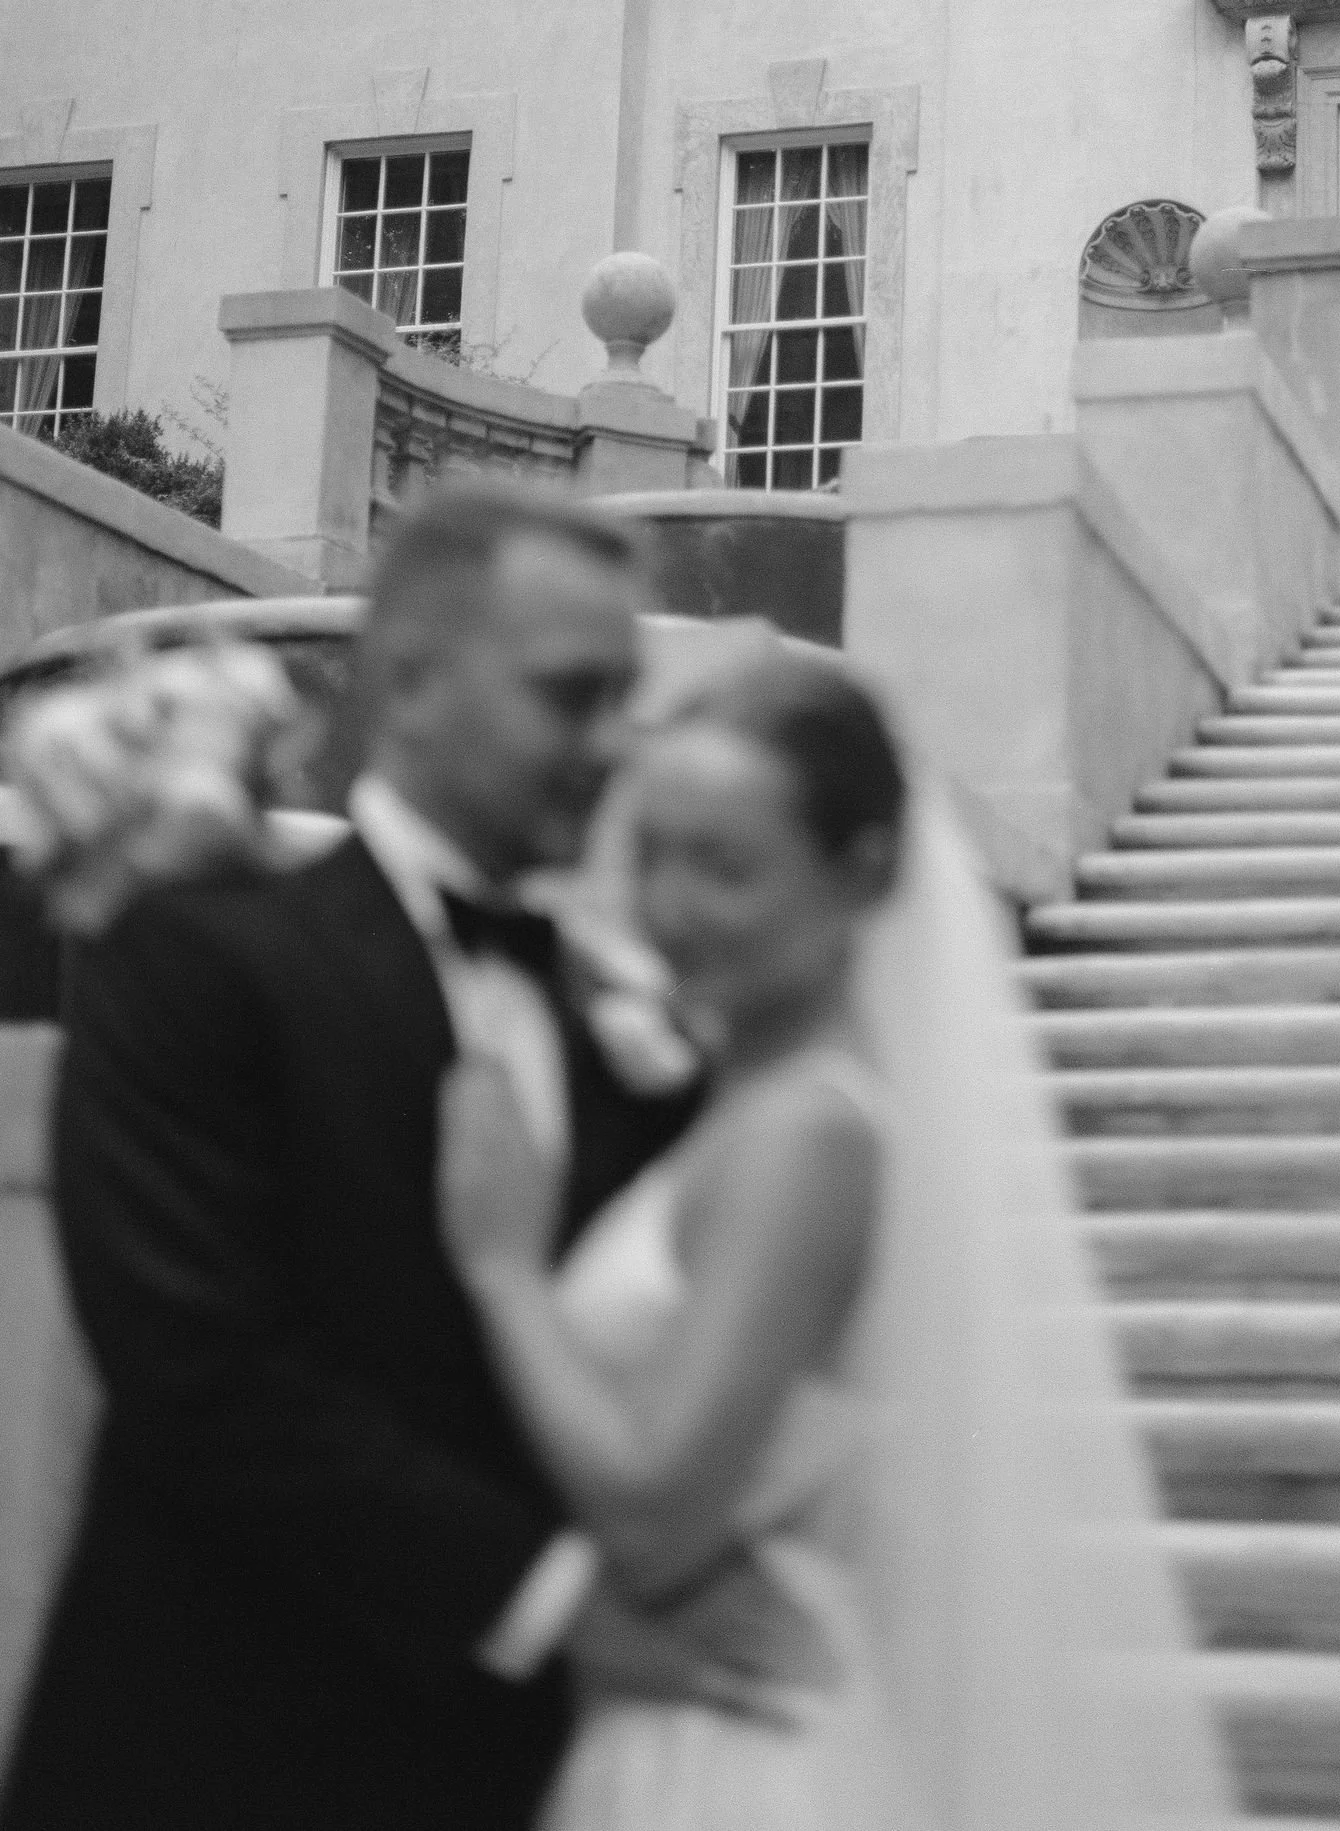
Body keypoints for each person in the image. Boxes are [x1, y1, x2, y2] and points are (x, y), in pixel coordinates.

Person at [0, 485, 809, 1831]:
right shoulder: (198, 954)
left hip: (528, 1773)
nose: (613, 742)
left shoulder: (634, 1022)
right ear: (412, 680)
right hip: (210, 1760)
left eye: (628, 696)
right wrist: (557, 1603)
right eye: (569, 692)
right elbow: (203, 1368)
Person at [436, 651, 1241, 1831]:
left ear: (857, 874)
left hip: (731, 1751)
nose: (668, 907)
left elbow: (659, 1523)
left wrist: (502, 1273)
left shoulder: (806, 1133)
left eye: (725, 868)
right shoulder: (753, 1102)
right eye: (651, 853)